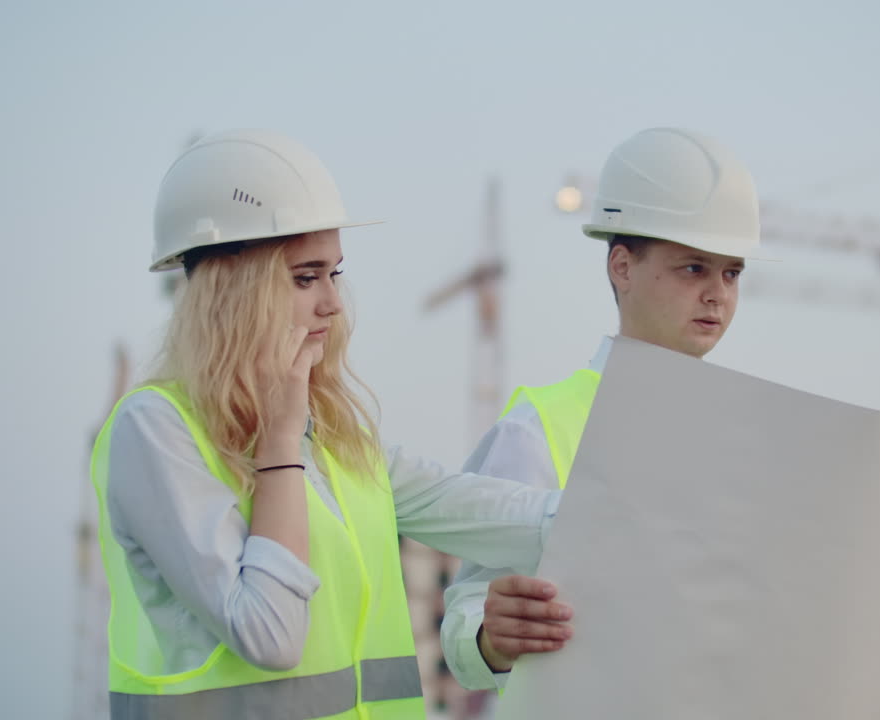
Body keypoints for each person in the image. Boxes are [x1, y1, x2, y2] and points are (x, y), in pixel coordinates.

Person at [439, 127, 880, 691]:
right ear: (622, 266)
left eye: (732, 273)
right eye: (694, 267)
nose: (717, 292)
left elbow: (814, 607)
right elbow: (465, 627)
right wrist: (492, 638)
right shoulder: (538, 428)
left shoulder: (762, 438)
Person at [91, 129, 559, 719]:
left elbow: (493, 513)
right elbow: (270, 634)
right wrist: (280, 443)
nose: (333, 303)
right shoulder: (156, 430)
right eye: (305, 277)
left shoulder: (332, 439)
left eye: (334, 274)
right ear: (231, 290)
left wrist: (646, 519)